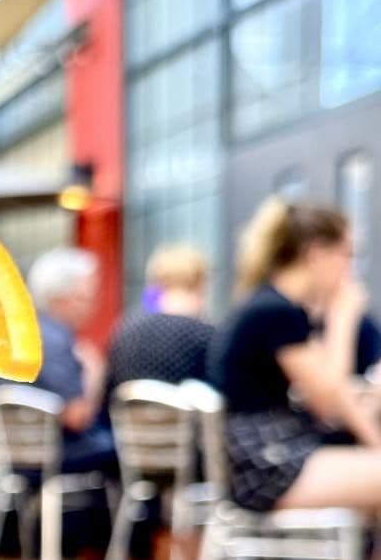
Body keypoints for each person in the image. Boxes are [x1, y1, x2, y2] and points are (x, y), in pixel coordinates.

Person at [208, 198, 381, 514]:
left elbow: (332, 393)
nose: (349, 269)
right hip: (266, 465)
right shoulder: (276, 312)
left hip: (268, 454)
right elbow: (327, 401)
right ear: (316, 254)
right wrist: (343, 318)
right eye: (347, 255)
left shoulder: (272, 305)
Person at [29, 247, 116, 476]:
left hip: (18, 451)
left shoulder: (26, 333)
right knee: (123, 446)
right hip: (52, 454)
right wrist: (94, 371)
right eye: (84, 298)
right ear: (59, 299)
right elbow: (76, 417)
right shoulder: (55, 341)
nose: (92, 307)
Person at [105, 244, 215, 394]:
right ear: (200, 283)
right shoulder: (204, 335)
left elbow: (109, 396)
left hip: (128, 417)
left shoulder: (125, 330)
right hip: (186, 417)